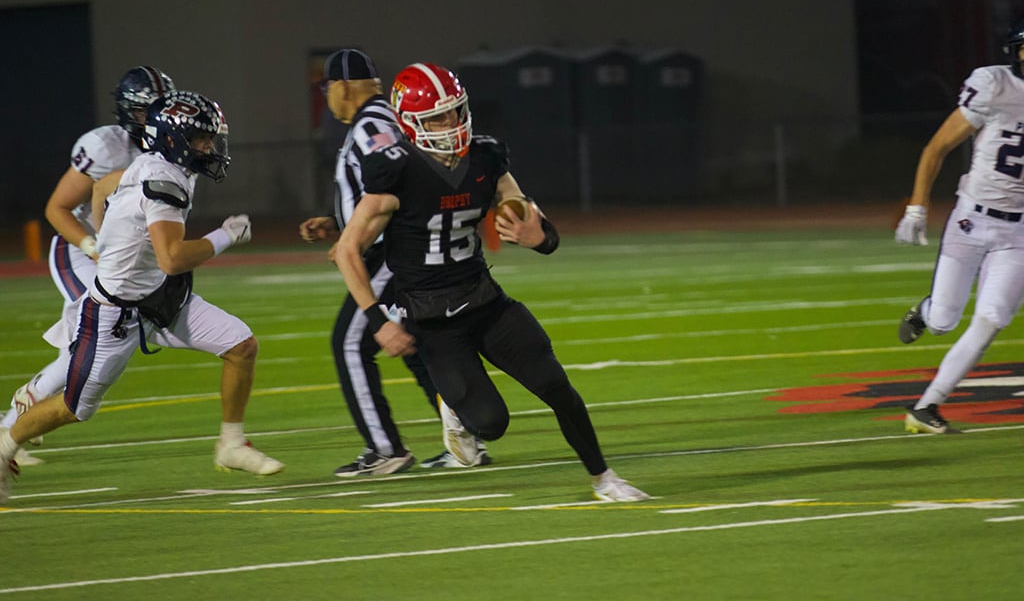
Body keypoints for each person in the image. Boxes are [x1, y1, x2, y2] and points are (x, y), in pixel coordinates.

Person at [332, 62, 650, 502]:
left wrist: (541, 236)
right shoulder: (394, 170)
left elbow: (522, 208)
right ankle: (456, 413)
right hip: (432, 319)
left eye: (455, 111)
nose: (450, 124)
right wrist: (377, 321)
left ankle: (604, 478)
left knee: (557, 386)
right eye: (437, 117)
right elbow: (347, 251)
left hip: (485, 301)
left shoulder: (484, 155)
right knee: (492, 424)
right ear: (409, 123)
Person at [0, 91, 283, 503]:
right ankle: (5, 445)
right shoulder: (163, 179)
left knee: (241, 345)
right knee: (75, 408)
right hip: (115, 313)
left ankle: (232, 443)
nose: (210, 147)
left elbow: (104, 189)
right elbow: (172, 258)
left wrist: (112, 237)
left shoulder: (157, 166)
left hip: (158, 299)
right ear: (175, 139)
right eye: (203, 139)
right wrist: (225, 236)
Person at [299, 49, 489, 476]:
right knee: (413, 349)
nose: (327, 98)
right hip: (399, 244)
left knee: (350, 343)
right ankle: (467, 441)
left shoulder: (372, 126)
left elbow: (396, 187)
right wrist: (338, 223)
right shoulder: (387, 119)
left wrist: (357, 236)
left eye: (327, 89)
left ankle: (386, 449)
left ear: (341, 87)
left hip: (392, 252)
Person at [0, 66, 175, 465]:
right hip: (80, 249)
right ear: (130, 111)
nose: (160, 117)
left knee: (87, 346)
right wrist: (92, 244)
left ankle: (20, 414)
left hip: (123, 257)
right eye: (151, 110)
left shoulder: (165, 145)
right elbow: (57, 208)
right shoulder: (104, 146)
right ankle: (14, 425)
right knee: (90, 340)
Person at [895, 16, 1024, 434]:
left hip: (1020, 232)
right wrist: (916, 207)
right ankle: (927, 310)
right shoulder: (994, 85)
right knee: (943, 322)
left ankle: (927, 407)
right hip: (973, 218)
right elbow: (937, 147)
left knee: (990, 320)